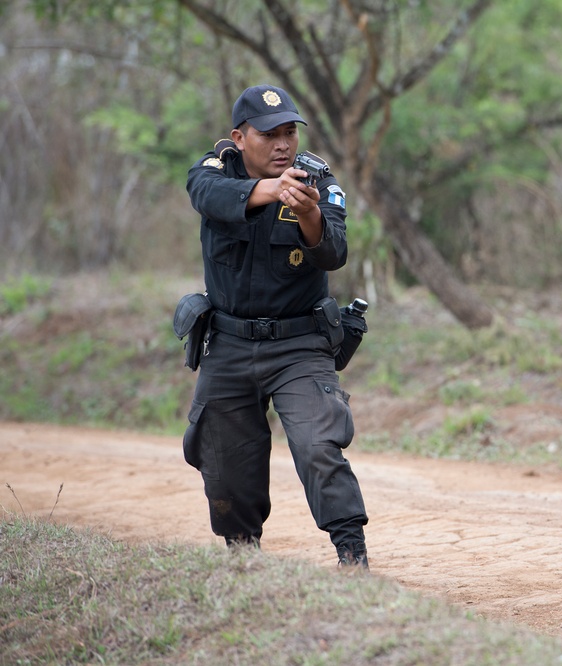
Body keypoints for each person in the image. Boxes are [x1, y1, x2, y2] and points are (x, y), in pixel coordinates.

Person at [180, 83, 369, 568]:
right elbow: (206, 194)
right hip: (228, 342)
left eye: (289, 132)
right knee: (224, 465)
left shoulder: (318, 182)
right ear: (239, 138)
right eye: (269, 134)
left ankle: (352, 556)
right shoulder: (214, 173)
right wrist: (269, 191)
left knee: (318, 446)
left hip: (299, 345)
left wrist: (307, 214)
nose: (283, 144)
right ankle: (245, 561)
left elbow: (335, 252)